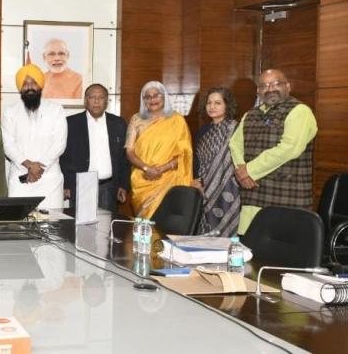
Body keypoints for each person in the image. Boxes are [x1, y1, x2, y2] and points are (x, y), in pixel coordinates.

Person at [229, 69, 317, 235]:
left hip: (286, 196)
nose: (270, 89)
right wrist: (242, 171)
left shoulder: (299, 111)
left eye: (276, 83)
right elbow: (235, 144)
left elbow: (290, 148)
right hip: (252, 194)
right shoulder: (250, 114)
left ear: (288, 86)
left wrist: (249, 170)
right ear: (258, 91)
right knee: (250, 244)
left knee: (281, 246)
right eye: (264, 85)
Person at [2, 64, 67, 210]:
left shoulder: (56, 110)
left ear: (41, 86)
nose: (29, 87)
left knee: (52, 221)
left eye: (34, 83)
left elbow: (59, 143)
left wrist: (38, 168)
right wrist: (29, 165)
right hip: (20, 178)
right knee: (19, 221)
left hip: (50, 178)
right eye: (25, 83)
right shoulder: (10, 112)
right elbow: (8, 144)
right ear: (20, 88)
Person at [125, 81, 193, 219]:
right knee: (145, 223)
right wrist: (146, 168)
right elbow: (129, 151)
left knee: (165, 221)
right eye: (148, 96)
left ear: (164, 97)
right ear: (143, 100)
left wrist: (161, 169)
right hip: (142, 178)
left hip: (168, 179)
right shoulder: (136, 119)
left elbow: (184, 154)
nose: (152, 99)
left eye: (157, 95)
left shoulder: (177, 120)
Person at [60, 84, 129, 214]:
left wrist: (123, 185)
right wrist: (67, 184)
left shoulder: (118, 123)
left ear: (106, 101)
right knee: (81, 225)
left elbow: (124, 158)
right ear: (85, 101)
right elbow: (63, 157)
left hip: (109, 187)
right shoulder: (71, 123)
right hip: (80, 186)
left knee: (107, 225)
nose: (96, 101)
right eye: (92, 97)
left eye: (101, 97)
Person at [191, 87, 241, 237]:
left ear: (227, 105)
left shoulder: (235, 128)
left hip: (228, 186)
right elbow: (197, 159)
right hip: (203, 188)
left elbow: (235, 158)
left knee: (225, 228)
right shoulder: (203, 130)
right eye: (209, 103)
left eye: (218, 103)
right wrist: (197, 180)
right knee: (204, 227)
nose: (212, 107)